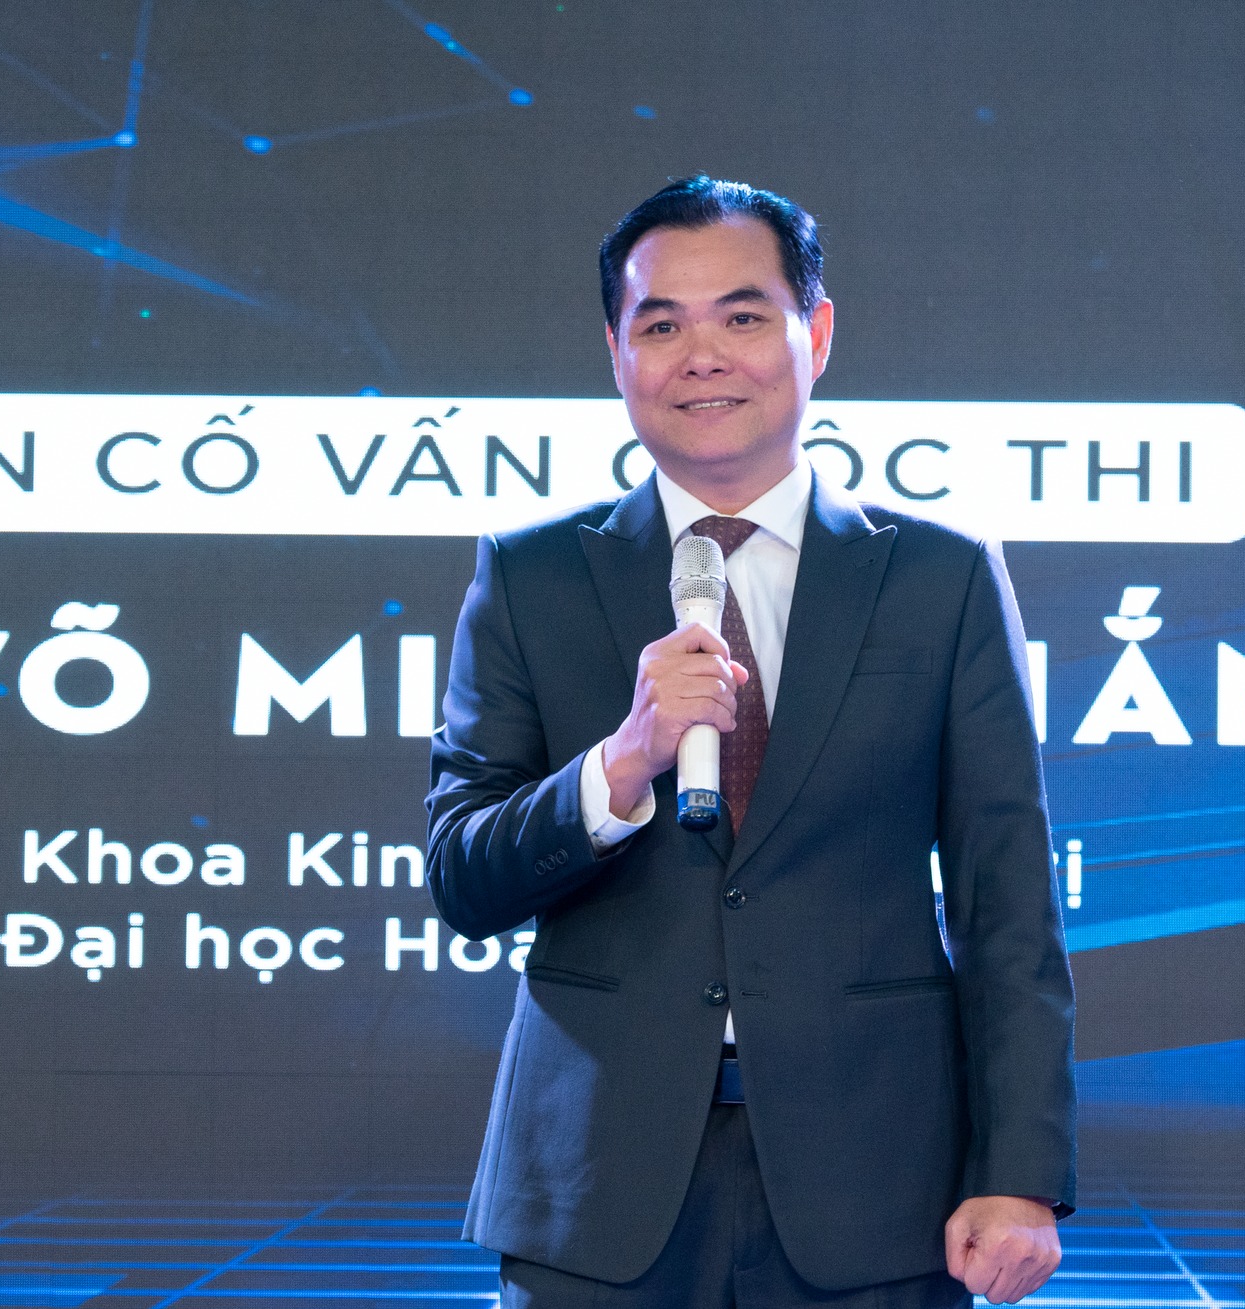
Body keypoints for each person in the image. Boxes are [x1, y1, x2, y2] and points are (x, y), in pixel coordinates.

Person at [426, 175, 1075, 1308]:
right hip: (597, 1187)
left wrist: (1018, 1170)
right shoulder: (531, 574)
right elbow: (462, 875)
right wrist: (622, 763)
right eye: (659, 326)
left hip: (876, 1182)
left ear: (812, 335)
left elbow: (1007, 898)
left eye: (740, 315)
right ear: (616, 355)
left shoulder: (939, 577)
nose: (701, 357)